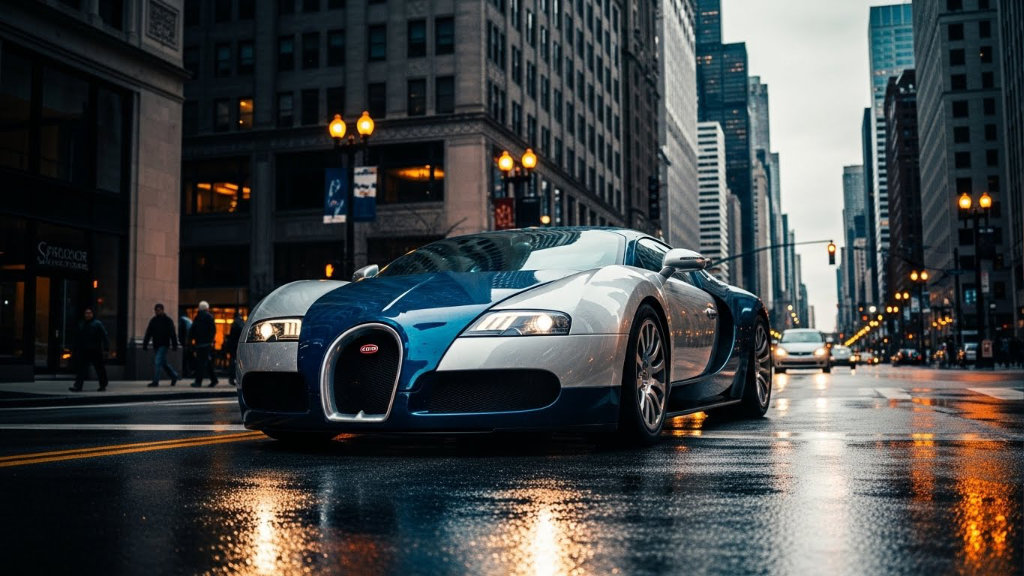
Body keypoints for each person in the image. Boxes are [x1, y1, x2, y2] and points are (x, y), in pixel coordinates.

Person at [68, 307, 110, 392]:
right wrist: (76, 348)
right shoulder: (81, 324)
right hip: (84, 350)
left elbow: (104, 336)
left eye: (89, 313)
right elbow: (78, 337)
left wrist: (106, 348)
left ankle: (103, 385)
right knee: (82, 369)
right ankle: (78, 386)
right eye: (86, 313)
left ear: (92, 314)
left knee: (99, 368)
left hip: (95, 350)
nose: (88, 315)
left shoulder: (97, 324)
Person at [142, 303, 179, 387]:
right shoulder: (153, 321)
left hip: (164, 344)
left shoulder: (168, 320)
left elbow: (172, 333)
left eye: (158, 310)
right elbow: (148, 333)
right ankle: (174, 376)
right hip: (156, 344)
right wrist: (145, 344)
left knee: (157, 361)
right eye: (156, 310)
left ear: (162, 310)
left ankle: (155, 381)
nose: (157, 312)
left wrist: (174, 344)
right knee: (163, 363)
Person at [190, 301, 219, 387]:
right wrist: (210, 340)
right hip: (206, 343)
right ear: (207, 308)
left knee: (201, 362)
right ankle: (213, 379)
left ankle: (199, 381)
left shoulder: (197, 317)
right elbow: (213, 330)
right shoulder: (209, 317)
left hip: (199, 343)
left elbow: (193, 330)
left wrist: (191, 340)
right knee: (205, 362)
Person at [226, 312, 244, 386]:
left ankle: (231, 378)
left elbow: (231, 336)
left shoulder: (234, 323)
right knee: (238, 362)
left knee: (233, 361)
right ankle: (235, 378)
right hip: (238, 345)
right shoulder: (241, 323)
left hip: (233, 345)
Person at [179, 313, 193, 378]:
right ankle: (187, 373)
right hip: (187, 344)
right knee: (186, 360)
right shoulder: (188, 321)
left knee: (184, 360)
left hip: (184, 344)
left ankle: (186, 373)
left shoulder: (182, 322)